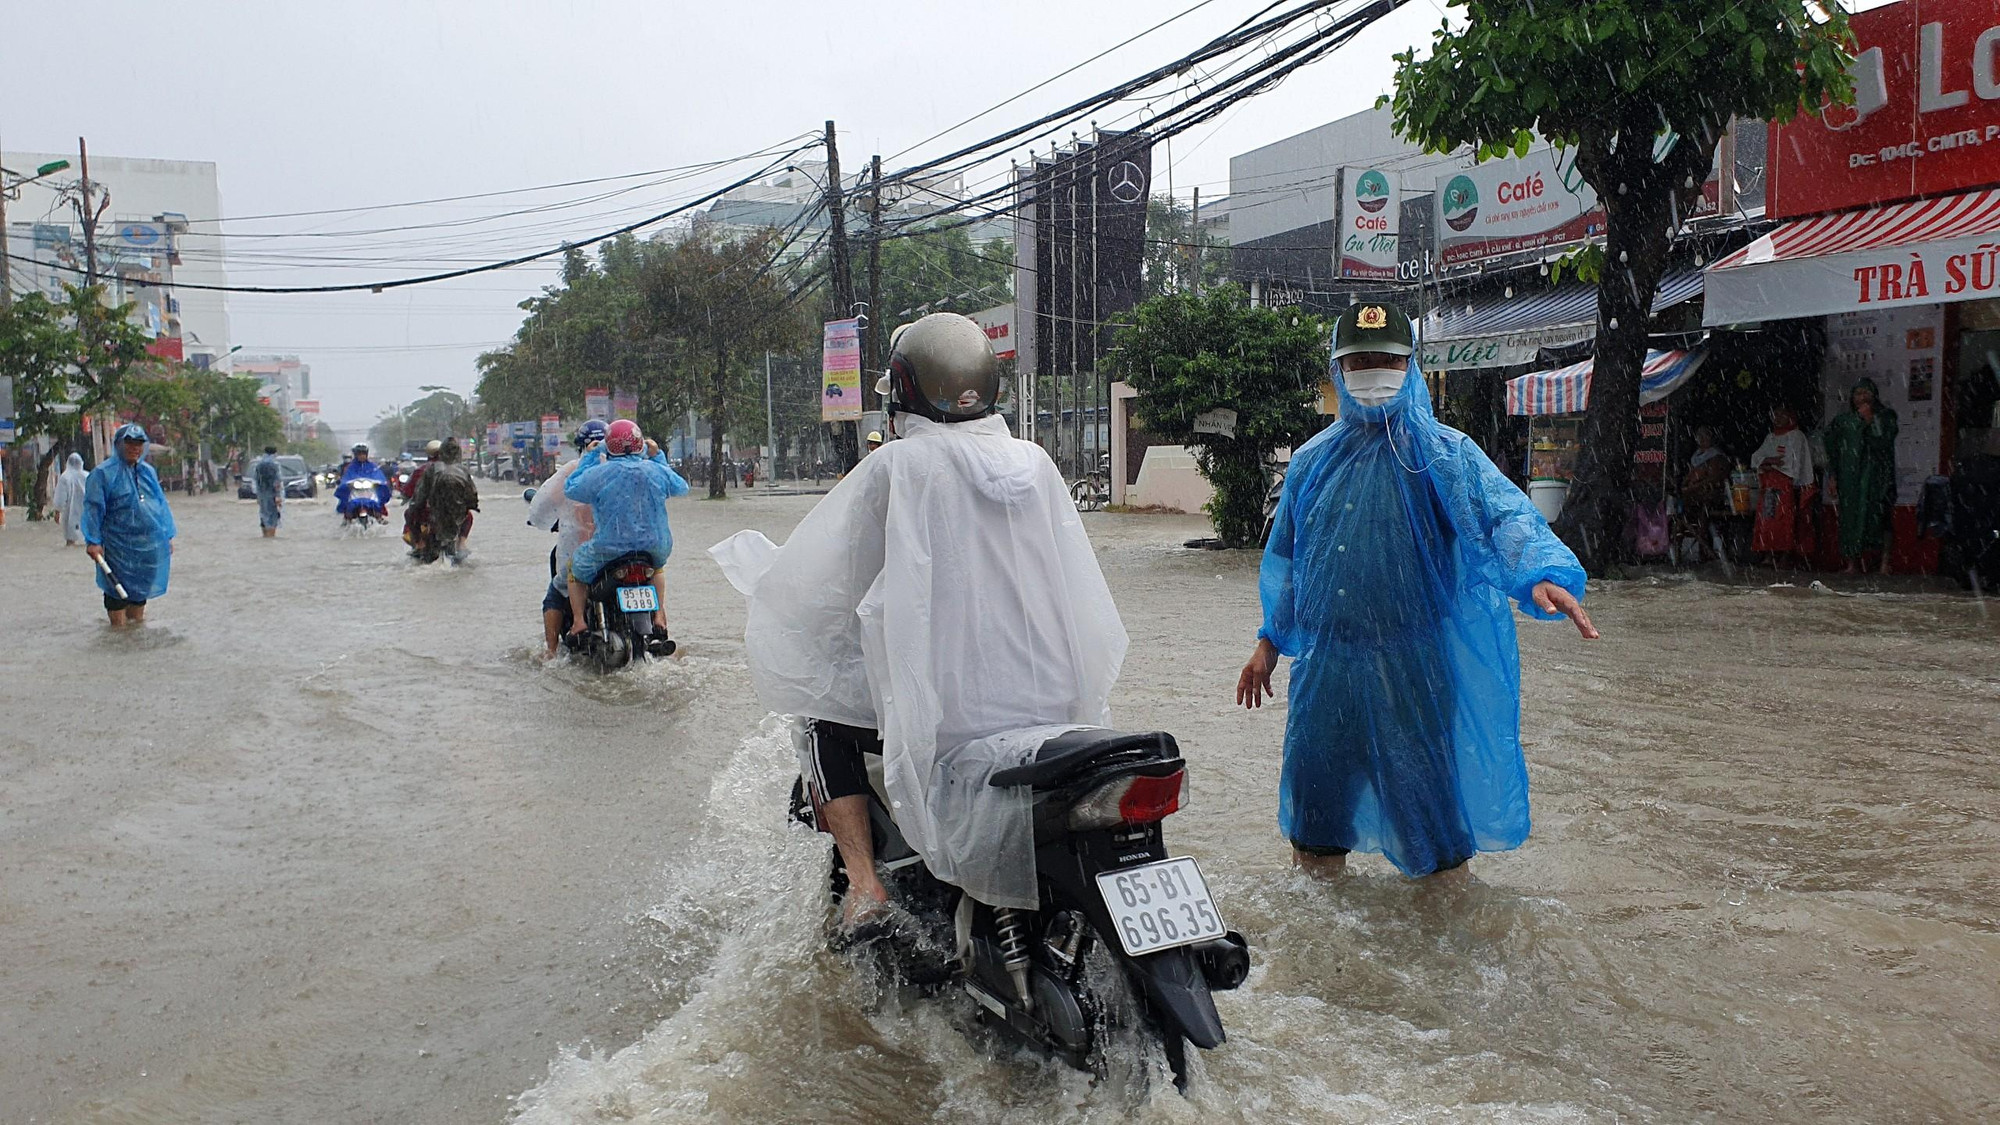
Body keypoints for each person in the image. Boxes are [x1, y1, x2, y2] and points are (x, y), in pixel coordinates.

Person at [710, 312, 1127, 926]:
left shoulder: (898, 468)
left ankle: (863, 887)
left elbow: (826, 580)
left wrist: (769, 582)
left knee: (822, 722)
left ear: (904, 390)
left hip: (951, 720)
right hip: (1056, 707)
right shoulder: (1035, 464)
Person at [1235, 302, 1597, 883]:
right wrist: (1268, 643)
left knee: (1433, 844)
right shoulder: (1309, 463)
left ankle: (1443, 958)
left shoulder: (1444, 455)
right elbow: (1292, 564)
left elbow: (1503, 517)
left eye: (1387, 360)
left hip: (1412, 668)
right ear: (1337, 367)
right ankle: (1328, 959)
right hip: (1326, 674)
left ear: (1412, 367)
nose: (1373, 372)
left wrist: (1540, 573)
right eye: (1359, 360)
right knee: (1314, 835)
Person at [564, 420, 687, 634]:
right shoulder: (655, 470)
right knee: (657, 568)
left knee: (573, 569)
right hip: (654, 548)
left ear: (608, 445)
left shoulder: (600, 474)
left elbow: (572, 489)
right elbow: (681, 487)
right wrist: (658, 457)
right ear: (641, 444)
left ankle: (578, 622)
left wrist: (590, 457)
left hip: (608, 550)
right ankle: (659, 616)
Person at [83, 424, 178, 627]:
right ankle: (118, 642)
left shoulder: (148, 472)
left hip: (146, 549)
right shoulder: (102, 474)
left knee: (139, 598)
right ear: (119, 444)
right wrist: (93, 541)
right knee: (116, 596)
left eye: (139, 444)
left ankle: (134, 642)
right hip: (117, 548)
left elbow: (160, 504)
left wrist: (166, 535)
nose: (135, 448)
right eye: (129, 443)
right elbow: (93, 509)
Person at [527, 420, 606, 655]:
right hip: (625, 549)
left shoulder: (573, 471)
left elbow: (542, 506)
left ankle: (550, 652)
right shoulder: (625, 468)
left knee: (555, 593)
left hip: (583, 551)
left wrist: (540, 520)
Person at [1825, 377, 1899, 574]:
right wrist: (1833, 475)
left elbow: (1883, 442)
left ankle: (1884, 563)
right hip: (1851, 479)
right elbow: (1833, 450)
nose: (1863, 397)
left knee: (1881, 518)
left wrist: (1870, 421)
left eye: (1867, 392)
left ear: (1874, 395)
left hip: (1878, 478)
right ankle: (1852, 564)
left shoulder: (1886, 417)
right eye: (1858, 393)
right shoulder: (1843, 422)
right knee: (1850, 519)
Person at [1750, 405, 1815, 564]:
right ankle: (1769, 553)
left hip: (1785, 485)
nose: (1777, 418)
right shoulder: (1770, 437)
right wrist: (1768, 461)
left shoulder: (1796, 436)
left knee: (1784, 521)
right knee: (1767, 520)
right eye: (1775, 415)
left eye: (1781, 415)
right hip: (1769, 484)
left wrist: (1769, 462)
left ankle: (1785, 554)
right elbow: (1756, 457)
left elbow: (1793, 463)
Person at [409, 437, 479, 562]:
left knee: (410, 515)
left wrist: (414, 505)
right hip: (456, 514)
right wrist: (472, 505)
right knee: (469, 517)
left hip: (435, 512)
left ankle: (420, 544)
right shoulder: (463, 470)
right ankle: (461, 544)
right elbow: (472, 494)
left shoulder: (431, 469)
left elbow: (420, 493)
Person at [336, 444, 391, 524]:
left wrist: (379, 483)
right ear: (355, 455)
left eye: (363, 454)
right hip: (355, 492)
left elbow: (378, 476)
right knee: (347, 503)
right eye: (359, 454)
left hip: (370, 491)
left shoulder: (372, 466)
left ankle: (379, 516)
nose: (362, 456)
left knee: (378, 502)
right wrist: (347, 484)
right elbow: (346, 478)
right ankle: (347, 518)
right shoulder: (350, 467)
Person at [52, 453, 88, 547]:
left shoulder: (65, 477)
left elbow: (60, 496)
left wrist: (57, 512)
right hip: (86, 510)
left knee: (70, 538)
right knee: (86, 538)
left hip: (70, 512)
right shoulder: (87, 476)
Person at [252, 445, 285, 538]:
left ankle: (265, 536)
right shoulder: (274, 465)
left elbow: (255, 480)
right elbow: (277, 481)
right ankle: (271, 537)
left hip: (262, 495)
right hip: (272, 494)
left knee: (263, 515)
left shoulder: (258, 465)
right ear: (274, 453)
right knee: (273, 517)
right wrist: (278, 496)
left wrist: (257, 495)